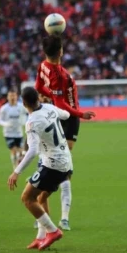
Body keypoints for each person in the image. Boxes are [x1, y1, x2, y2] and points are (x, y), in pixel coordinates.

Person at [35, 35, 96, 231]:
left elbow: (38, 87)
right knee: (63, 167)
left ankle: (56, 216)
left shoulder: (43, 65)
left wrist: (50, 93)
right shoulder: (58, 75)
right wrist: (80, 114)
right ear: (60, 51)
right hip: (67, 118)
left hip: (63, 116)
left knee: (62, 165)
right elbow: (61, 104)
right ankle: (47, 209)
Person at [7, 87, 72, 251]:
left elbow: (33, 150)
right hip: (66, 162)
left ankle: (53, 231)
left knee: (27, 198)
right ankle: (41, 237)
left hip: (52, 164)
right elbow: (67, 115)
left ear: (23, 102)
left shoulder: (32, 122)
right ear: (38, 98)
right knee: (41, 197)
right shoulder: (49, 107)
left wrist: (17, 171)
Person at [0, 89, 27, 169]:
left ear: (17, 96)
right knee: (13, 150)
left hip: (19, 133)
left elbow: (27, 114)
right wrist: (6, 124)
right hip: (8, 133)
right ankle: (15, 166)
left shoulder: (21, 106)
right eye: (10, 96)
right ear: (7, 97)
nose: (12, 97)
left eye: (14, 95)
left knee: (20, 152)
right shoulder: (4, 108)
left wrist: (25, 121)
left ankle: (17, 164)